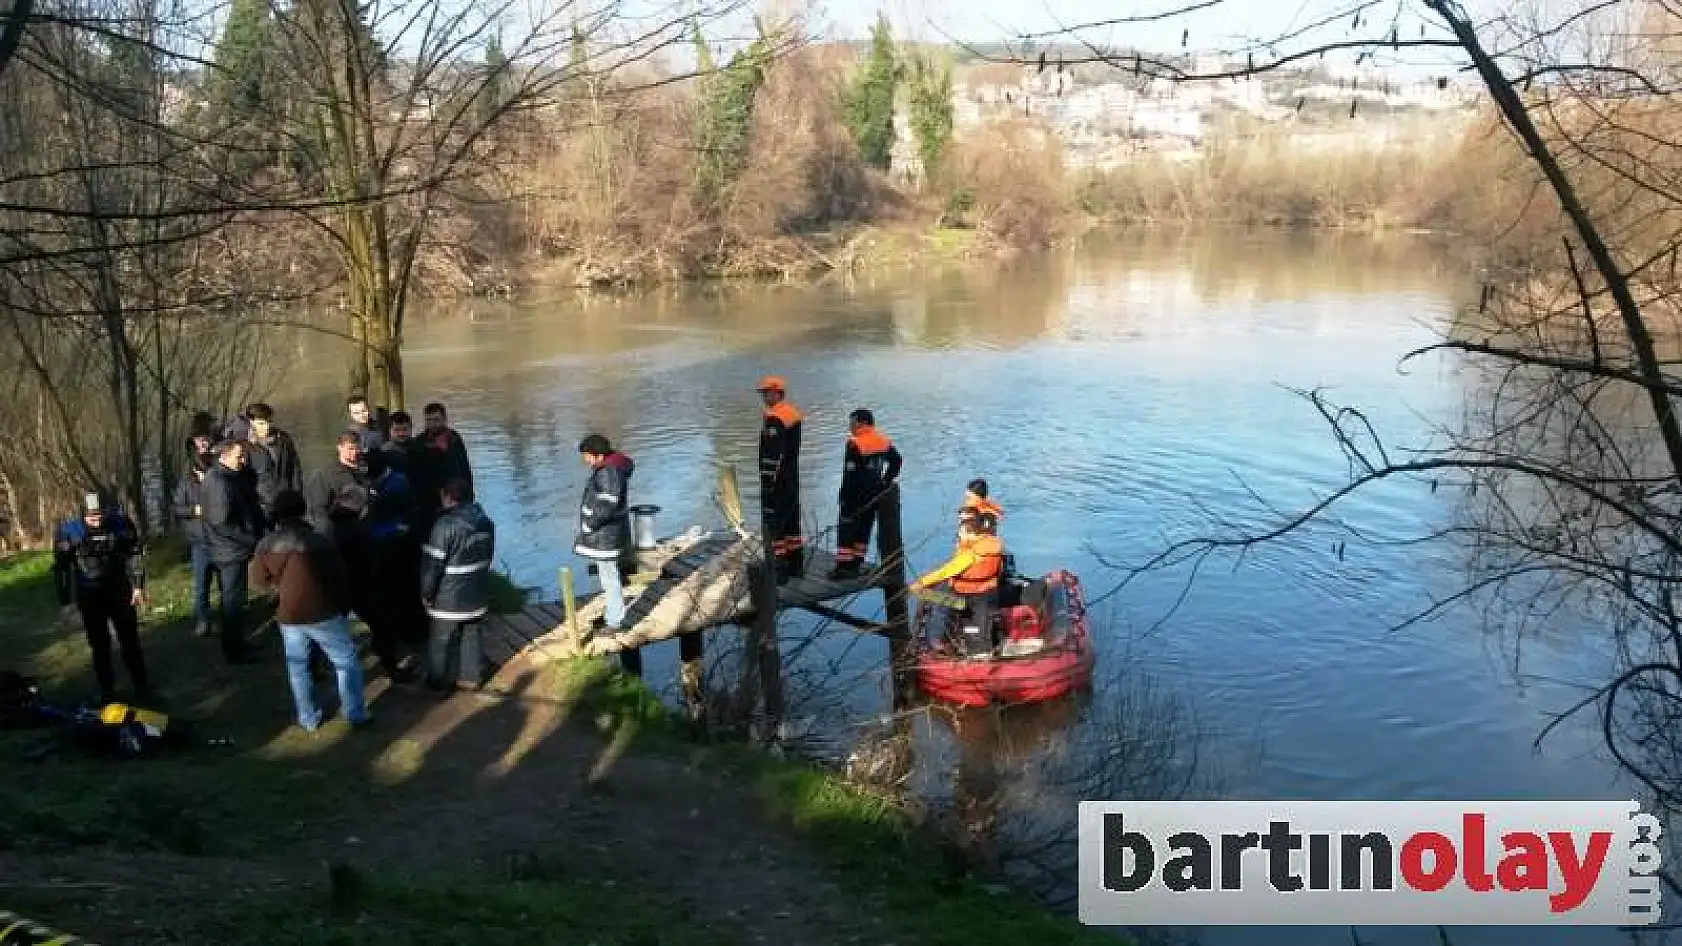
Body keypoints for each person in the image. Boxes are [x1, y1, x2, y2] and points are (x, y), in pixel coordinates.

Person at [250, 489, 371, 732]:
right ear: (302, 509)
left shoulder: (266, 544)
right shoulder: (318, 541)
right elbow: (339, 578)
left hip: (289, 616)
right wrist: (343, 606)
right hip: (323, 613)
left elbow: (257, 579)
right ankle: (355, 712)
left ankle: (308, 718)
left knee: (298, 667)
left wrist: (277, 589)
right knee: (345, 661)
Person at [306, 431, 408, 681]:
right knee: (332, 616)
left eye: (357, 448)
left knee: (381, 616)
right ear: (339, 448)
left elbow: (374, 504)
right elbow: (317, 513)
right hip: (341, 558)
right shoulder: (325, 476)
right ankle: (314, 663)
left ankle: (390, 664)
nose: (355, 453)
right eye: (350, 448)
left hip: (366, 556)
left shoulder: (363, 472)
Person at [53, 492, 150, 704]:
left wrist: (138, 587)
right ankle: (107, 691)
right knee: (99, 645)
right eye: (91, 517)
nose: (96, 521)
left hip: (119, 588)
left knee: (130, 641)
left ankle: (142, 687)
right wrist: (66, 603)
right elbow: (61, 568)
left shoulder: (120, 523)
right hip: (89, 592)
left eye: (99, 515)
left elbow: (134, 553)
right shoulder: (69, 531)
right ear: (82, 515)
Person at [420, 478, 495, 693]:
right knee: (472, 634)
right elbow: (489, 555)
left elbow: (433, 566)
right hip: (477, 592)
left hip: (449, 597)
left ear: (449, 498)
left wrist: (426, 594)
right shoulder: (485, 521)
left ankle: (437, 682)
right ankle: (471, 678)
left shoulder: (444, 526)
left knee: (441, 640)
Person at [200, 439, 265, 663]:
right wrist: (250, 540)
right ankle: (234, 651)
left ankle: (239, 643)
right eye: (239, 456)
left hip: (234, 548)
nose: (243, 459)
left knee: (237, 600)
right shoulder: (218, 481)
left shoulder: (230, 475)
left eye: (243, 455)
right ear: (224, 456)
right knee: (231, 603)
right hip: (228, 551)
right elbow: (221, 523)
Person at [909, 511, 1005, 658]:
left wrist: (918, 584)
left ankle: (937, 642)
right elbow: (999, 574)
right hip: (985, 598)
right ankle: (980, 649)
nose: (959, 537)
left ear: (971, 534)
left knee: (928, 596)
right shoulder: (993, 548)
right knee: (980, 629)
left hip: (962, 601)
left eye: (961, 534)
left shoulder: (970, 554)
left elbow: (945, 571)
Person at [831, 408, 902, 581]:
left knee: (847, 529)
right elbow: (897, 460)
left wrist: (844, 497)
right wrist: (886, 480)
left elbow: (850, 474)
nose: (850, 426)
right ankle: (856, 564)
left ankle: (843, 568)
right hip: (873, 494)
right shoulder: (882, 441)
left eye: (852, 422)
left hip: (854, 494)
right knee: (864, 530)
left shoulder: (855, 443)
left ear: (862, 423)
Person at [573, 434, 635, 634]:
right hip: (610, 534)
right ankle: (613, 614)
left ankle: (615, 621)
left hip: (605, 536)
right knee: (609, 576)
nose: (585, 460)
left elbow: (606, 505)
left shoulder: (608, 473)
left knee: (609, 578)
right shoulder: (613, 467)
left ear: (598, 456)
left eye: (587, 456)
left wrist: (590, 525)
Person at [756, 376, 804, 583]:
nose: (764, 396)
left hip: (777, 481)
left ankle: (780, 571)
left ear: (778, 393)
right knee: (791, 523)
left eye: (767, 392)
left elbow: (773, 455)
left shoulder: (776, 418)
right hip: (791, 477)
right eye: (763, 393)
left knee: (775, 524)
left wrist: (768, 482)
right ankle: (796, 566)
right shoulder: (792, 413)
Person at [171, 433, 219, 637]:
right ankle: (202, 620)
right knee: (201, 586)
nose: (203, 475)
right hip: (199, 541)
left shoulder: (219, 480)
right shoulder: (186, 483)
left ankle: (227, 618)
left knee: (225, 585)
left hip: (219, 540)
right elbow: (176, 508)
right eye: (200, 472)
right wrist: (194, 511)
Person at [245, 402, 303, 523]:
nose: (266, 427)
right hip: (262, 505)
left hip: (287, 499)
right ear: (251, 422)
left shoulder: (284, 439)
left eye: (269, 422)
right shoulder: (245, 446)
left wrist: (297, 494)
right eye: (261, 423)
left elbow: (295, 469)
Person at [419, 402, 473, 505]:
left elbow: (465, 468)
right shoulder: (419, 443)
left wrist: (469, 496)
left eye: (436, 420)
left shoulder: (455, 438)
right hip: (430, 499)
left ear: (444, 419)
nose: (432, 424)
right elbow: (417, 475)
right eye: (428, 420)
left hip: (457, 494)